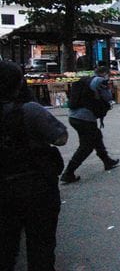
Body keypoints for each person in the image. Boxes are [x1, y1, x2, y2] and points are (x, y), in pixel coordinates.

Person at [0, 60, 68, 270]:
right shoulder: (30, 111)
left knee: (5, 249)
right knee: (41, 246)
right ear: (18, 84)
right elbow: (60, 137)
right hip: (36, 186)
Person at [61, 66, 119, 183]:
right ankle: (68, 172)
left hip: (74, 116)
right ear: (105, 74)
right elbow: (107, 97)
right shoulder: (99, 81)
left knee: (96, 136)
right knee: (86, 146)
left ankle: (107, 161)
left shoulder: (85, 80)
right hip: (85, 118)